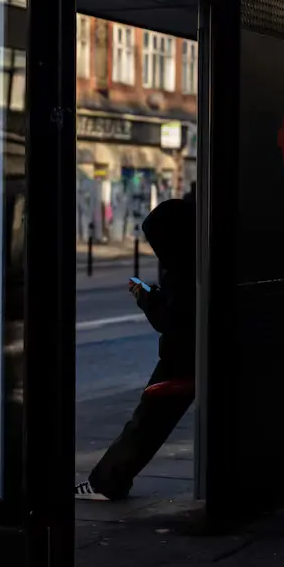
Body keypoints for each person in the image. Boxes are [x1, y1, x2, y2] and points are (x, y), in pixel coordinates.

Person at [75, 197, 196, 501]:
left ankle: (107, 481)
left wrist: (145, 297)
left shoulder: (180, 272)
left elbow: (171, 321)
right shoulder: (196, 260)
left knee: (148, 421)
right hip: (197, 351)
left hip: (183, 357)